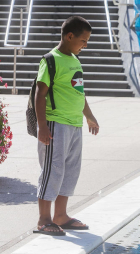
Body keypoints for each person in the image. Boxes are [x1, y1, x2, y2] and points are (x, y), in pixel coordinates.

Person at [33, 16, 100, 236]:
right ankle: (44, 219)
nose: (85, 45)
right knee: (53, 170)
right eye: (83, 40)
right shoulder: (50, 60)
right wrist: (42, 126)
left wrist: (89, 116)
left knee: (70, 171)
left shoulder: (75, 60)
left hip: (74, 124)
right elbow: (39, 94)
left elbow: (79, 93)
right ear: (69, 36)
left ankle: (60, 215)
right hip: (55, 124)